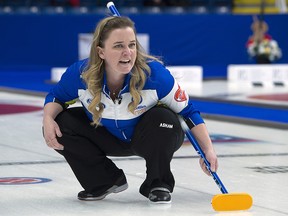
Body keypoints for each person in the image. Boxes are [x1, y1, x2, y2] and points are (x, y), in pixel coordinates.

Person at [42, 16, 218, 204]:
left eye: (132, 45)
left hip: (148, 138)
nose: (127, 53)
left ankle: (158, 184)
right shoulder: (80, 74)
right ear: (101, 52)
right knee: (59, 122)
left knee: (164, 117)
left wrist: (208, 150)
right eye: (118, 46)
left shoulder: (155, 76)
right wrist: (47, 119)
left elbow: (188, 113)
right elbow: (56, 97)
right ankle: (104, 181)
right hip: (106, 136)